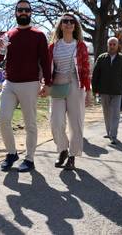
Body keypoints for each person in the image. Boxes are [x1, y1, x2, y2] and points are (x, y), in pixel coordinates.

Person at [0, 0, 51, 173]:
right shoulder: (8, 34)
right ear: (15, 13)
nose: (23, 12)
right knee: (3, 119)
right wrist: (0, 48)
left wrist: (47, 83)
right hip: (10, 84)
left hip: (30, 84)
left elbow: (46, 62)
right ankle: (11, 153)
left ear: (31, 12)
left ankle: (30, 159)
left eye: (26, 10)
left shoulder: (39, 35)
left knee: (30, 123)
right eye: (20, 10)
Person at [44, 13, 92, 170]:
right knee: (56, 122)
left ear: (75, 26)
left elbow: (85, 69)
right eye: (65, 21)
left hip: (75, 85)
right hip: (57, 85)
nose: (69, 23)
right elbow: (46, 68)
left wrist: (88, 90)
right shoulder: (53, 47)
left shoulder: (81, 46)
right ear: (61, 25)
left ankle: (72, 155)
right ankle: (63, 149)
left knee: (75, 123)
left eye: (72, 21)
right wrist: (45, 84)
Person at [92, 37, 122, 144]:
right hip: (104, 90)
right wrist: (94, 89)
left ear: (117, 46)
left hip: (117, 91)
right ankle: (108, 132)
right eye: (110, 44)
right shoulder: (101, 58)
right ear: (107, 45)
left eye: (114, 44)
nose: (112, 46)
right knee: (106, 113)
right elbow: (95, 75)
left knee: (115, 114)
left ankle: (113, 135)